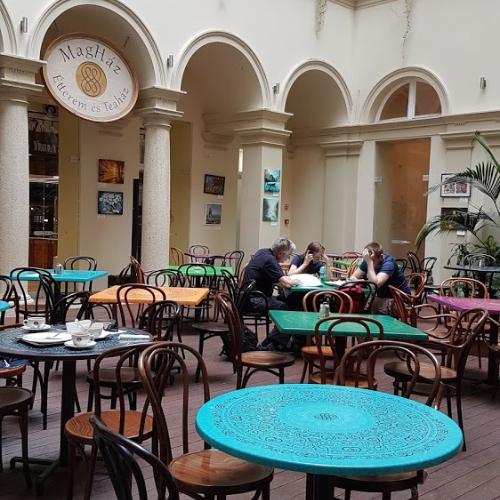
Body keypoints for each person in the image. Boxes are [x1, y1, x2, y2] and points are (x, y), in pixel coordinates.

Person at [351, 241, 410, 314]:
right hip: (382, 298)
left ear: (381, 257)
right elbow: (353, 277)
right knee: (356, 302)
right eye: (369, 260)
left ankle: (370, 320)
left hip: (400, 301)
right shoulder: (368, 260)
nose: (371, 262)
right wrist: (360, 282)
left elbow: (375, 284)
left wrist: (369, 263)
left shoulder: (388, 263)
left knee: (366, 305)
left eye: (373, 260)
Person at [242, 237, 295, 312]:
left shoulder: (262, 252)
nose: (289, 257)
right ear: (280, 253)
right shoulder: (270, 260)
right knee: (290, 308)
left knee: (284, 299)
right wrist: (299, 281)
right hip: (255, 301)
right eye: (289, 254)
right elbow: (287, 284)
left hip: (245, 297)